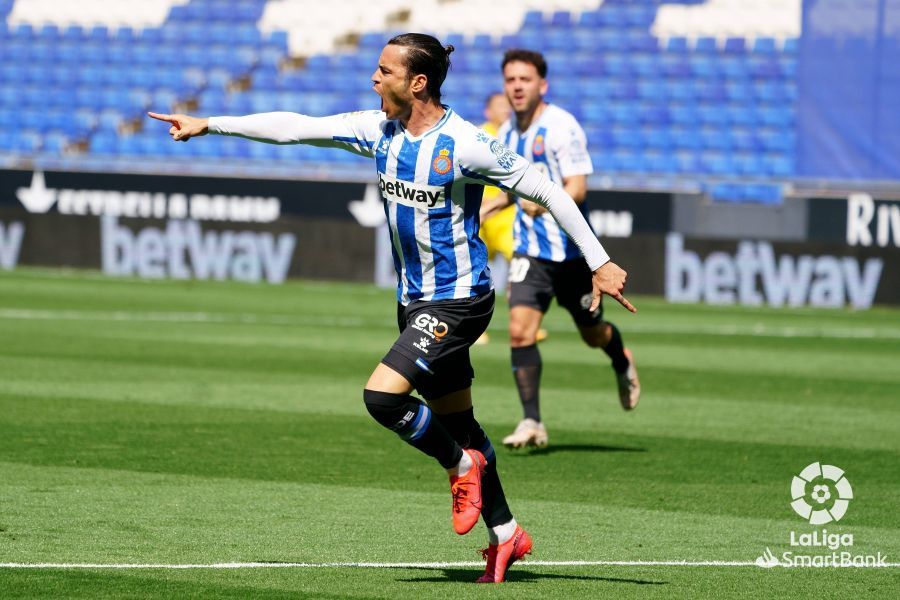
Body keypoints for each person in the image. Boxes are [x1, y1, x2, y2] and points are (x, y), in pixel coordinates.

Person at [148, 33, 635, 583]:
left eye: (384, 71)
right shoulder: (378, 130)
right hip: (413, 300)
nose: (374, 79)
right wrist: (211, 122)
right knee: (461, 422)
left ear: (417, 82)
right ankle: (505, 534)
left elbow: (550, 190)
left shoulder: (466, 144)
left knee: (382, 397)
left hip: (460, 300)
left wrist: (598, 259)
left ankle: (458, 467)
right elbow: (295, 126)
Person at [481, 49, 641, 451]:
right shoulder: (505, 134)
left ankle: (621, 360)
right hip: (530, 253)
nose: (517, 87)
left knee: (593, 335)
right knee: (519, 333)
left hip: (572, 257)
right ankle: (532, 420)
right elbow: (510, 188)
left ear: (542, 85)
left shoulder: (561, 127)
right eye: (511, 80)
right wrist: (491, 206)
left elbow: (577, 187)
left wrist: (544, 200)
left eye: (525, 79)